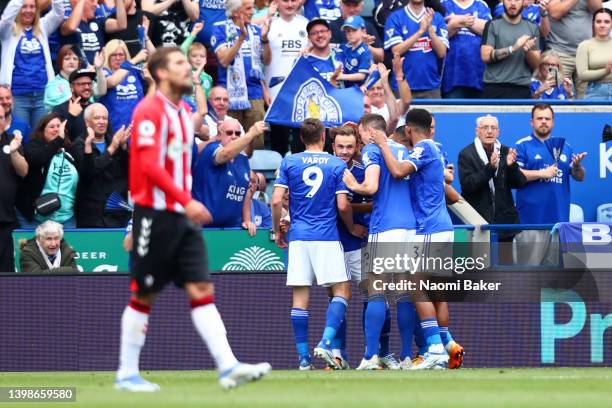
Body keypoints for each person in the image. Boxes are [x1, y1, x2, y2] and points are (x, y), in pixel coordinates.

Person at [117, 47, 270, 392]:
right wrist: (187, 199)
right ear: (159, 74)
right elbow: (147, 166)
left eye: (188, 63)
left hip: (181, 217)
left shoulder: (179, 113)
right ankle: (126, 373)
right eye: (179, 64)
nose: (187, 69)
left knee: (202, 289)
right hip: (155, 215)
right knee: (144, 295)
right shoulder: (149, 111)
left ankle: (228, 365)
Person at [271, 118, 365, 370]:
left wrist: (276, 229)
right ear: (324, 137)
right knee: (343, 292)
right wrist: (351, 227)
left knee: (300, 300)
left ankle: (303, 359)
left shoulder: (289, 161)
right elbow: (343, 205)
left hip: (299, 238)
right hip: (326, 236)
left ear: (301, 138)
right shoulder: (336, 164)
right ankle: (325, 342)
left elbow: (276, 200)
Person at [342, 114, 418, 370]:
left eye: (360, 133)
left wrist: (353, 183)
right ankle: (407, 356)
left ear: (366, 131)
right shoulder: (404, 150)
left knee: (376, 291)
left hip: (385, 226)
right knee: (404, 293)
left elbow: (371, 186)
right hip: (410, 227)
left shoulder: (373, 149)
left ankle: (370, 357)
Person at [329, 125, 378, 369]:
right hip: (331, 244)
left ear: (356, 147)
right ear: (332, 147)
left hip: (361, 244)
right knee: (336, 300)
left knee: (373, 297)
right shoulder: (326, 169)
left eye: (349, 147)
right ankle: (338, 355)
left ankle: (374, 355)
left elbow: (375, 203)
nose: (345, 152)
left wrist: (349, 206)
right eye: (340, 147)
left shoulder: (363, 172)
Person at [514, 103, 587, 265]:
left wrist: (577, 167)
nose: (544, 122)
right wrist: (542, 173)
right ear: (531, 122)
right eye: (539, 118)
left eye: (547, 118)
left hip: (558, 222)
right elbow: (514, 176)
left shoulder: (565, 147)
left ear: (553, 122)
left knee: (551, 279)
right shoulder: (523, 145)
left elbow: (579, 177)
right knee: (527, 274)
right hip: (531, 222)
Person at [458, 114, 527, 264]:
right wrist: (490, 168)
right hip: (479, 220)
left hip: (504, 222)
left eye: (493, 128)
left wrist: (511, 166)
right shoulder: (466, 154)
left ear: (498, 132)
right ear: (477, 131)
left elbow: (520, 182)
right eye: (485, 128)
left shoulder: (506, 151)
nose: (489, 131)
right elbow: (468, 185)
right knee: (480, 266)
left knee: (505, 265)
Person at [212, 0, 271, 144]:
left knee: (256, 144)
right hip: (230, 96)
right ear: (236, 12)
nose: (253, 12)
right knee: (230, 142)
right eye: (249, 8)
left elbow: (266, 61)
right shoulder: (220, 28)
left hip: (255, 94)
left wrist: (264, 40)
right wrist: (241, 39)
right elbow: (224, 60)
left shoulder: (256, 30)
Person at [0, 0, 65, 130]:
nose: (28, 10)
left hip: (43, 95)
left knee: (42, 137)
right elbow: (6, 18)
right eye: (24, 7)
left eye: (32, 7)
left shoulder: (42, 27)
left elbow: (59, 14)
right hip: (17, 95)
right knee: (19, 135)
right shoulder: (8, 29)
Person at [192, 118, 265, 228]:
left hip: (232, 228)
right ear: (220, 134)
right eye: (229, 133)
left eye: (238, 133)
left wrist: (247, 220)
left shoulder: (243, 158)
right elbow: (225, 154)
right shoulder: (212, 149)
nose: (234, 136)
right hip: (205, 228)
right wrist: (250, 134)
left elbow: (245, 191)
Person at [18, 113, 82, 228]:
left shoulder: (71, 150)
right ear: (42, 131)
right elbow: (38, 160)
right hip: (36, 219)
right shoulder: (33, 146)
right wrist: (58, 140)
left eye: (59, 126)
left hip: (67, 219)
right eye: (52, 127)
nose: (56, 129)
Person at [264, 0, 308, 155]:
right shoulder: (269, 24)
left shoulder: (305, 24)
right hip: (275, 91)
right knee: (279, 141)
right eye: (285, 1)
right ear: (276, 2)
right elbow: (259, 60)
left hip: (300, 92)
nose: (290, 4)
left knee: (300, 141)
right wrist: (264, 88)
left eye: (293, 0)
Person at [77, 103, 131, 228]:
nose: (102, 122)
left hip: (117, 214)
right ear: (87, 122)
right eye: (97, 118)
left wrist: (123, 147)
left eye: (105, 118)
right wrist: (111, 149)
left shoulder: (116, 142)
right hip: (90, 217)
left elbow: (130, 172)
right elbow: (88, 172)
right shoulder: (79, 144)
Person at [384, 0, 449, 98]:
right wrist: (421, 31)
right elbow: (396, 51)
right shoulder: (395, 17)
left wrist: (430, 30)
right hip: (402, 85)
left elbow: (441, 53)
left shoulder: (437, 17)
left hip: (431, 86)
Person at [480, 0, 541, 98]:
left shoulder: (532, 27)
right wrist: (512, 48)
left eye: (517, 0)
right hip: (494, 87)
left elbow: (537, 65)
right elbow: (485, 55)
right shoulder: (492, 24)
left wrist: (528, 51)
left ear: (523, 2)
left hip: (522, 88)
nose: (513, 3)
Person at [547, 0, 603, 99]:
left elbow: (599, 11)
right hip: (558, 53)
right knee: (558, 96)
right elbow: (555, 13)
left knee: (585, 99)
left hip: (584, 54)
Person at [441, 0, 492, 98]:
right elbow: (441, 35)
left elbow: (489, 31)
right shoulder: (444, 4)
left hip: (478, 75)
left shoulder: (481, 4)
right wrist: (474, 22)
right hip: (452, 77)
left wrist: (459, 19)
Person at [0, 105, 28, 272]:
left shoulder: (12, 141)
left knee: (6, 272)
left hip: (7, 219)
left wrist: (14, 151)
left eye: (1, 117)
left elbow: (23, 171)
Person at [99, 39, 147, 133]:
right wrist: (135, 59)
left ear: (126, 56)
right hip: (115, 130)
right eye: (113, 55)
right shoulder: (103, 72)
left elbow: (157, 63)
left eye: (121, 55)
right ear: (107, 56)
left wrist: (146, 38)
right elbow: (112, 82)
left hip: (139, 127)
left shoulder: (134, 71)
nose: (118, 58)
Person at [59, 0, 127, 66]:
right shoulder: (66, 22)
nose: (95, 4)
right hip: (78, 73)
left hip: (99, 71)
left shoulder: (98, 21)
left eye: (96, 1)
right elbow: (71, 27)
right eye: (92, 0)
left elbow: (121, 25)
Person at [44, 45, 108, 111]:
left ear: (78, 63)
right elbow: (68, 107)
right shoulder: (53, 85)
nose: (71, 62)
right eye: (67, 59)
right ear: (60, 61)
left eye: (75, 59)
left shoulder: (83, 80)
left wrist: (99, 69)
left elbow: (101, 91)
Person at [576, 8, 612, 100]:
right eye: (598, 22)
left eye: (607, 22)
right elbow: (582, 75)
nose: (602, 25)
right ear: (593, 23)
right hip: (594, 91)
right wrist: (606, 70)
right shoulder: (584, 45)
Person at [52, 68, 97, 141]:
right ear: (71, 87)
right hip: (71, 151)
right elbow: (56, 137)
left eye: (89, 83)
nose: (87, 87)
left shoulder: (96, 108)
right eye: (82, 84)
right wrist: (71, 116)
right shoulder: (60, 109)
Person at [180, 22, 214, 101]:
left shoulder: (208, 78)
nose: (198, 59)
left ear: (205, 59)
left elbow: (208, 101)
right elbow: (182, 50)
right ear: (188, 58)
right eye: (194, 56)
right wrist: (194, 33)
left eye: (202, 56)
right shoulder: (186, 73)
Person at [339, 16, 372, 87]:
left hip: (360, 89)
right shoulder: (347, 46)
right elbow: (334, 46)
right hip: (349, 88)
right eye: (347, 31)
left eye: (354, 30)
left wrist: (341, 76)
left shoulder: (364, 51)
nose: (350, 33)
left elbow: (361, 76)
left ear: (363, 31)